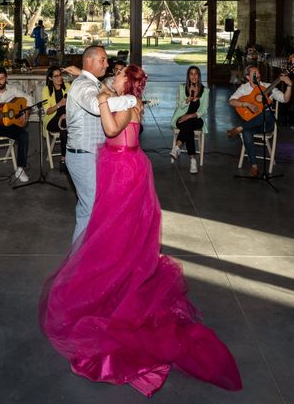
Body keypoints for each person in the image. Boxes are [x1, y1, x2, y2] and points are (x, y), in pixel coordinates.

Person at [40, 64, 242, 397]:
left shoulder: (129, 104)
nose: (113, 77)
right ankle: (116, 276)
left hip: (123, 169)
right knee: (114, 229)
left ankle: (117, 285)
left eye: (118, 75)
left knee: (115, 231)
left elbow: (109, 128)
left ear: (128, 82)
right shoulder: (128, 99)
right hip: (120, 165)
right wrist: (101, 88)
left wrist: (104, 99)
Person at [63, 45, 139, 242]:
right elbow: (98, 106)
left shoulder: (92, 83)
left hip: (92, 155)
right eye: (103, 60)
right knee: (90, 210)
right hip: (83, 155)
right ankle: (78, 263)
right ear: (89, 61)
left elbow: (102, 90)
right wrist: (131, 99)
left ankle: (86, 256)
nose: (107, 64)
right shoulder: (82, 86)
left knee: (89, 208)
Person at [227, 64, 292, 176]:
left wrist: (289, 85)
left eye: (259, 73)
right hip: (252, 124)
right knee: (247, 132)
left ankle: (240, 128)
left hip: (266, 125)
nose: (259, 75)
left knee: (267, 113)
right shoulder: (244, 88)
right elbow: (231, 101)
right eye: (255, 74)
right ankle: (254, 166)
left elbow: (285, 99)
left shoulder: (268, 87)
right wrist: (246, 104)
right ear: (248, 77)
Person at [169, 65, 209, 175]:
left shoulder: (205, 91)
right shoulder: (182, 88)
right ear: (188, 76)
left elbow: (204, 110)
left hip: (197, 119)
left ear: (199, 76)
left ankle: (177, 146)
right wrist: (188, 99)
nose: (194, 76)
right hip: (181, 118)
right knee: (188, 128)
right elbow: (180, 106)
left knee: (189, 123)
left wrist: (190, 116)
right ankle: (192, 160)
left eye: (196, 73)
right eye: (191, 74)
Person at [42, 65, 71, 173]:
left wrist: (66, 114)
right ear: (50, 78)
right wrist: (60, 104)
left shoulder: (67, 86)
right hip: (51, 119)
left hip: (67, 117)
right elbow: (48, 111)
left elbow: (74, 104)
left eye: (60, 75)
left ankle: (64, 158)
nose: (60, 78)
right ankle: (65, 158)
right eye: (56, 76)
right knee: (65, 125)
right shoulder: (46, 90)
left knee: (65, 126)